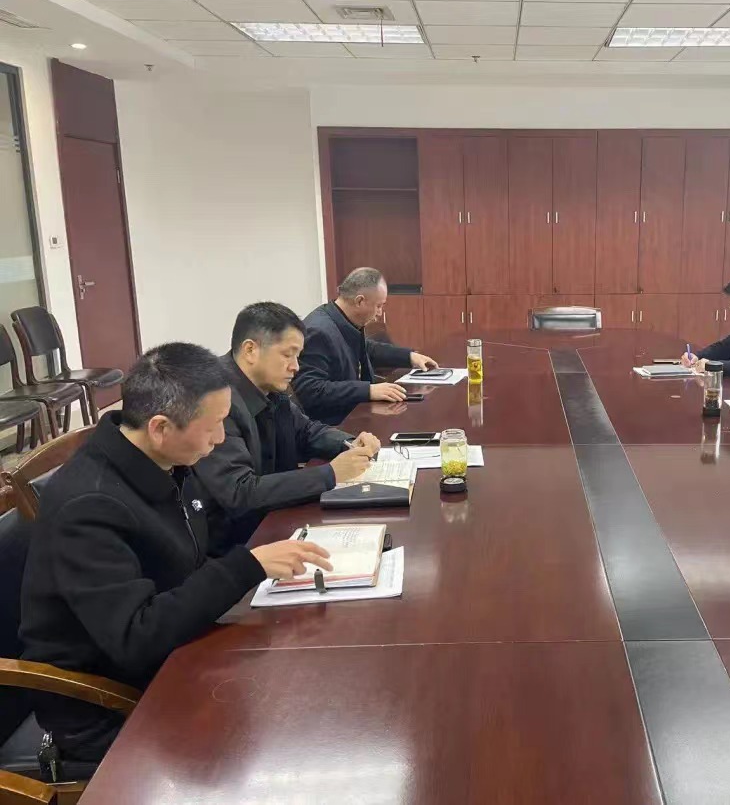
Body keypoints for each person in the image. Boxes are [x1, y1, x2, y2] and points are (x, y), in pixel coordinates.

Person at [19, 343, 334, 763]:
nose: (220, 439)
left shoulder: (164, 461)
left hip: (175, 655)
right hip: (107, 703)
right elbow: (136, 636)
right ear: (160, 428)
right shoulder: (90, 505)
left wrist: (255, 570)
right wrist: (246, 567)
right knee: (284, 741)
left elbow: (189, 562)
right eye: (214, 426)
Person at [192, 302, 381, 551]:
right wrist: (331, 474)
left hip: (275, 519)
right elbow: (239, 492)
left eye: (297, 356)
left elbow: (305, 431)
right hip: (235, 544)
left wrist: (349, 442)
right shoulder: (217, 399)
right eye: (287, 355)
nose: (296, 366)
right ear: (250, 350)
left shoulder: (268, 386)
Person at [294, 267, 439, 425]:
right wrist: (368, 390)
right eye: (378, 306)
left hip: (358, 414)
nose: (380, 313)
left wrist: (410, 357)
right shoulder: (318, 331)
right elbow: (310, 390)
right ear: (359, 301)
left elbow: (367, 349)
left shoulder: (343, 319)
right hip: (336, 426)